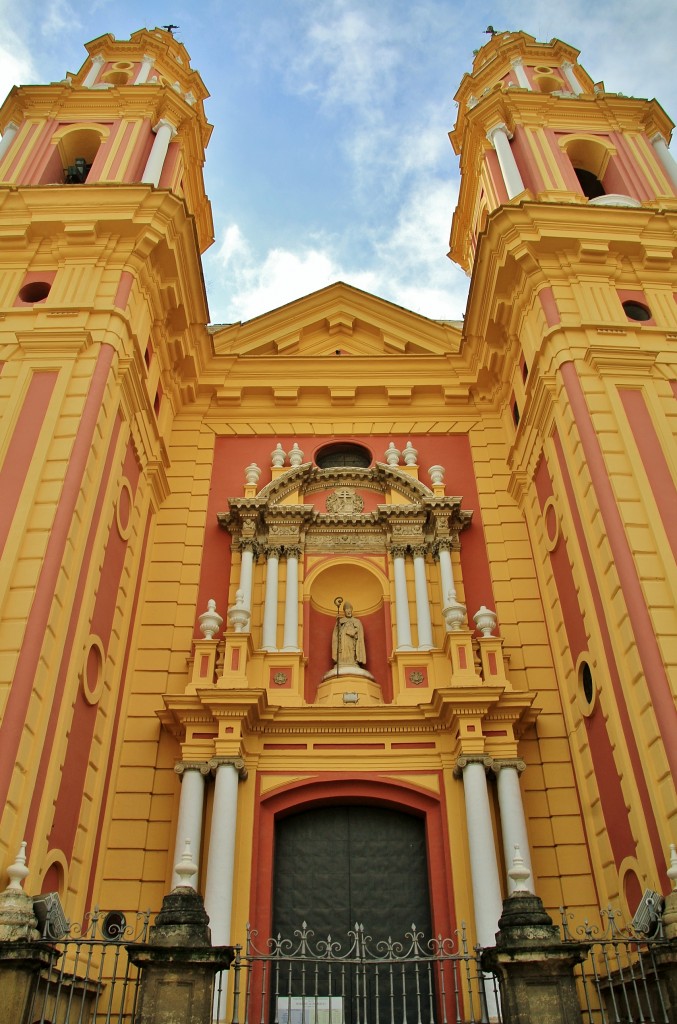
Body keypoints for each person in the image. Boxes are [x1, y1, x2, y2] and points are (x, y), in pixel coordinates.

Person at [332, 602, 367, 669]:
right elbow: (336, 633)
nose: (349, 611)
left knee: (351, 649)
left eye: (350, 609)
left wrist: (354, 632)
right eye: (347, 609)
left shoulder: (356, 621)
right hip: (343, 640)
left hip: (352, 640)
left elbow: (359, 633)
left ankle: (352, 660)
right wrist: (338, 623)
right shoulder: (341, 621)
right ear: (344, 611)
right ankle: (342, 661)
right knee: (343, 649)